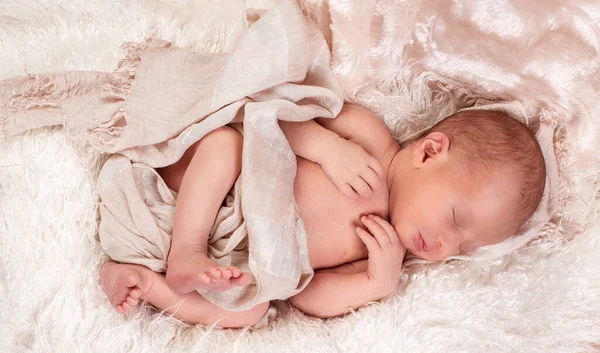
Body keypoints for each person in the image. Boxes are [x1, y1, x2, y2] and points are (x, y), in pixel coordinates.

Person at [99, 104, 546, 327]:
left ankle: (142, 281)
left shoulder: (383, 250)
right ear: (430, 153)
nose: (448, 245)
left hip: (219, 267)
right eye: (455, 218)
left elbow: (304, 295)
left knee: (253, 311)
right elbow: (272, 115)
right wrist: (326, 148)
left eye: (464, 247)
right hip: (189, 196)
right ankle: (185, 251)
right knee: (224, 145)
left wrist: (375, 282)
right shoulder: (369, 138)